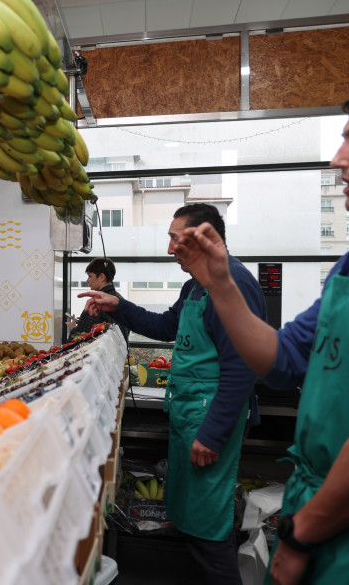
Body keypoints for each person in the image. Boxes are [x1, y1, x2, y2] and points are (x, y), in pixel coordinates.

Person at [173, 80, 349, 585]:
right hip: (324, 505)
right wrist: (221, 286)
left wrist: (302, 534)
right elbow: (284, 360)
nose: (338, 159)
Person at [80, 203, 267, 585]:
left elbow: (243, 366)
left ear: (204, 239)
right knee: (191, 517)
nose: (169, 249)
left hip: (212, 418)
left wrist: (213, 433)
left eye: (175, 239)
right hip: (189, 413)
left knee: (207, 526)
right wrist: (120, 305)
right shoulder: (195, 284)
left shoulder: (233, 284)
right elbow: (166, 326)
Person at [68, 257, 129, 341]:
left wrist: (73, 328)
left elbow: (77, 339)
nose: (87, 281)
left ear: (101, 277)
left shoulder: (96, 303)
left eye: (90, 276)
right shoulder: (120, 299)